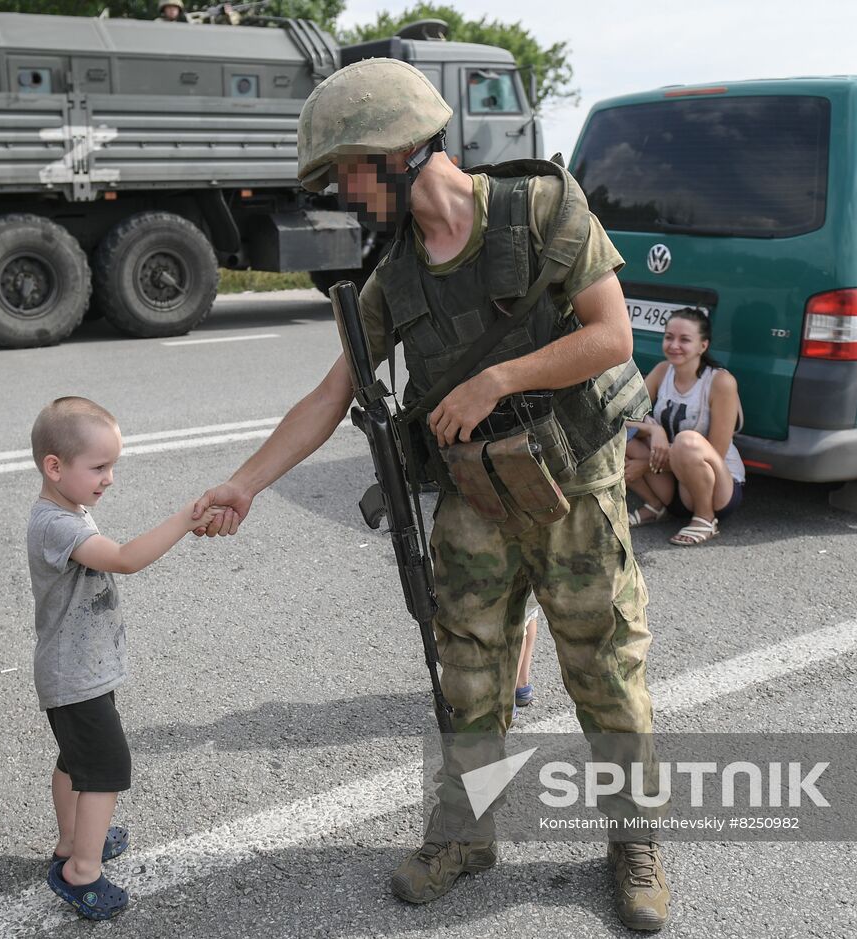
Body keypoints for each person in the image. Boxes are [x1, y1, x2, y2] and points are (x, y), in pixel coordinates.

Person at [189, 58, 670, 931]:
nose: (343, 192)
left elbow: (610, 337)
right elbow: (331, 394)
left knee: (604, 668)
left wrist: (497, 379)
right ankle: (467, 832)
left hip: (573, 484)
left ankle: (632, 837)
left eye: (348, 171)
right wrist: (245, 484)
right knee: (469, 677)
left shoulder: (541, 207)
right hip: (475, 497)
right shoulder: (393, 279)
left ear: (398, 151)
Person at [28, 396, 222, 921]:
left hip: (77, 671)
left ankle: (73, 841)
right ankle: (81, 872)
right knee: (106, 770)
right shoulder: (57, 524)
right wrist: (184, 519)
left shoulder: (66, 508)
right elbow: (124, 559)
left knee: (76, 761)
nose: (109, 478)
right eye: (99, 467)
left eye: (111, 465)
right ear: (55, 467)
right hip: (74, 676)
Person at [625, 308, 745, 546]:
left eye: (685, 340)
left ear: (703, 345)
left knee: (687, 441)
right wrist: (654, 430)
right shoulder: (662, 371)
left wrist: (645, 465)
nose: (674, 345)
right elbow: (625, 412)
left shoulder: (721, 382)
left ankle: (705, 519)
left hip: (715, 489)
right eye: (669, 337)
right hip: (674, 487)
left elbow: (716, 452)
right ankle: (655, 506)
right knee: (617, 434)